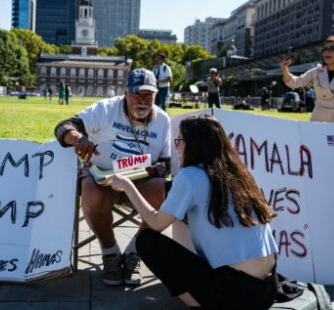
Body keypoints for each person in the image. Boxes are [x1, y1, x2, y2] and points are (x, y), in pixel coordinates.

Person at [108, 114, 278, 309]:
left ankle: (199, 305)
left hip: (234, 295)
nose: (177, 148)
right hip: (268, 288)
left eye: (179, 141)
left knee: (146, 241)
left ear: (194, 144)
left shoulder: (190, 175)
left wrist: (128, 186)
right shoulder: (240, 173)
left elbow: (156, 223)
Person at [54, 68, 171, 287]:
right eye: (137, 95)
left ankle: (134, 253)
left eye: (148, 95)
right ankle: (110, 254)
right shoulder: (105, 109)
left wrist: (154, 170)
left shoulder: (163, 120)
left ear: (156, 95)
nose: (142, 101)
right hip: (101, 179)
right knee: (90, 190)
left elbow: (167, 162)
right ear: (126, 93)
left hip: (139, 184)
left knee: (167, 191)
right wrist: (78, 138)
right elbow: (63, 127)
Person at [279, 36, 334, 122]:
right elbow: (294, 83)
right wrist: (284, 69)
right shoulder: (316, 72)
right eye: (325, 49)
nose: (327, 52)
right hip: (319, 119)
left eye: (332, 48)